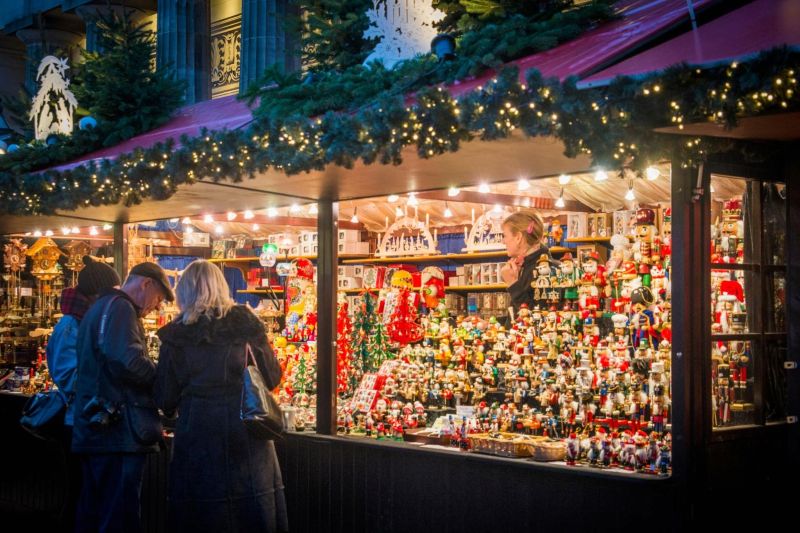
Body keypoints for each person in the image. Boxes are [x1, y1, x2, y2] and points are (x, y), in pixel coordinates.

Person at [155, 260, 288, 533]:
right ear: (222, 286)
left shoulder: (176, 335)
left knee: (199, 513)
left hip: (197, 434)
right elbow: (272, 377)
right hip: (245, 432)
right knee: (251, 511)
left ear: (184, 291)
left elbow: (165, 399)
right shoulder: (245, 324)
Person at [71, 261, 174, 533]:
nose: (157, 307)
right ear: (146, 284)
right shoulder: (121, 308)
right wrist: (163, 378)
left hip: (97, 429)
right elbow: (129, 361)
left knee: (94, 511)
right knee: (118, 516)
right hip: (117, 432)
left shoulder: (100, 307)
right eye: (158, 298)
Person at [46, 256, 121, 530]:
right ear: (97, 294)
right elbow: (69, 377)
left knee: (89, 493)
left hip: (87, 418)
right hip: (76, 421)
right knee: (81, 493)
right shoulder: (70, 326)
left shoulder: (86, 321)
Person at [500, 210, 551, 309]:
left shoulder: (543, 270)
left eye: (505, 236)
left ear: (518, 237)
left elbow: (537, 314)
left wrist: (513, 284)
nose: (503, 241)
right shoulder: (526, 265)